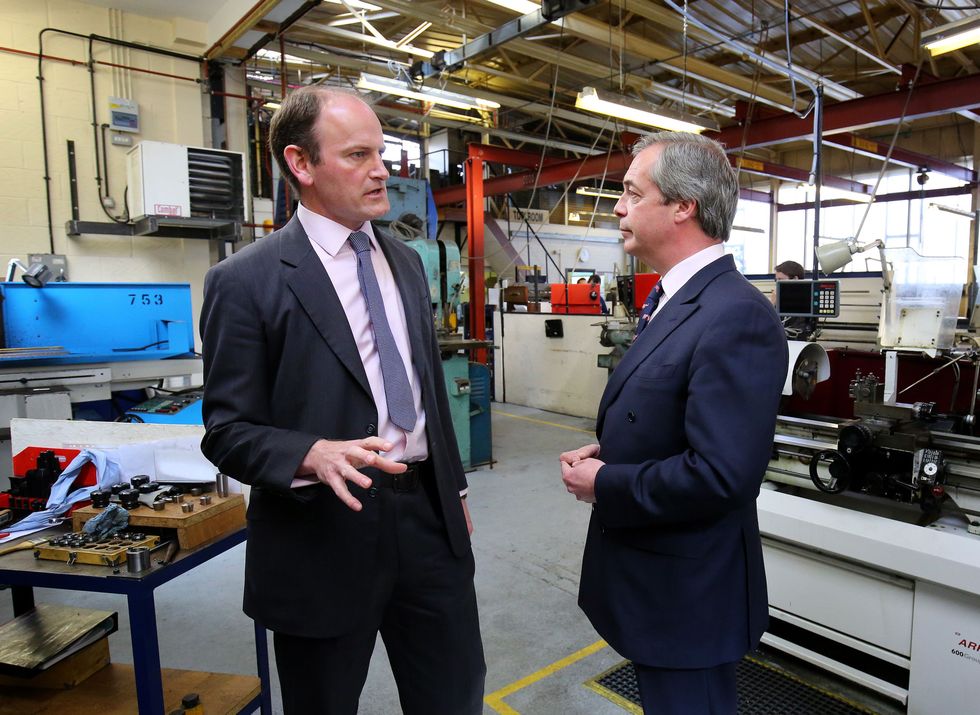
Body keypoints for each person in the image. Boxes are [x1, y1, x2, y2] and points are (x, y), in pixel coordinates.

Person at [199, 86, 485, 715]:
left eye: (382, 152)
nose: (382, 170)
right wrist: (311, 454)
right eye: (358, 155)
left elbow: (429, 390)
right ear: (301, 164)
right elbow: (225, 430)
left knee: (455, 695)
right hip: (321, 534)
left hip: (427, 522)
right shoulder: (246, 281)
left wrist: (454, 490)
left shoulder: (407, 263)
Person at [559, 132, 788, 714]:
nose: (617, 207)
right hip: (656, 585)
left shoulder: (735, 316)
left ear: (683, 206)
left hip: (689, 598)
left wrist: (605, 482)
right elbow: (673, 419)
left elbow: (721, 475)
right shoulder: (674, 300)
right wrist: (616, 449)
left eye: (632, 194)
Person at [772, 259, 814, 339]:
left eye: (780, 280)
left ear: (795, 279)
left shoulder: (806, 302)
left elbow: (797, 332)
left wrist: (771, 306)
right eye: (776, 280)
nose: (777, 284)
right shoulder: (781, 300)